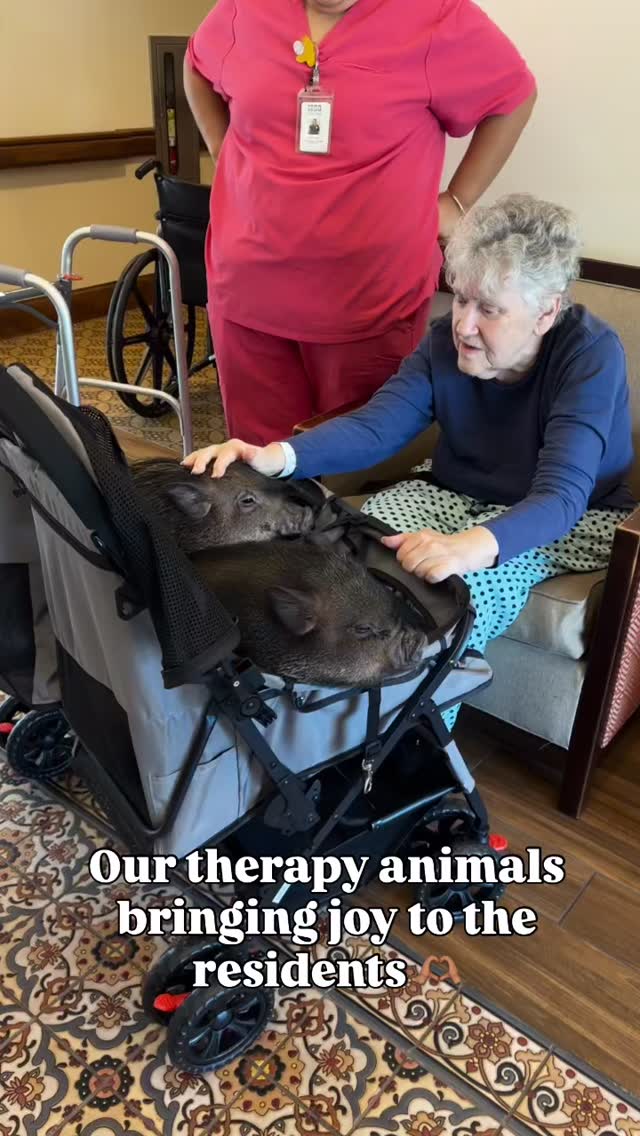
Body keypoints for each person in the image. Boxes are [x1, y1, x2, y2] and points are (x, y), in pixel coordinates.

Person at [182, 193, 636, 727]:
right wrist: (272, 457)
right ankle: (315, 725)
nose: (463, 324)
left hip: (565, 518)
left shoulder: (588, 354)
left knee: (456, 599)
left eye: (489, 309)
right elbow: (378, 425)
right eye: (461, 299)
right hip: (452, 489)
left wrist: (467, 548)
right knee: (343, 557)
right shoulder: (447, 341)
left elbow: (562, 496)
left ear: (547, 312)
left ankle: (410, 747)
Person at [184, 0, 537, 445]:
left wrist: (457, 202)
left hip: (369, 304)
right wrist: (223, 153)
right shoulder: (245, 8)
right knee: (259, 464)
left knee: (358, 461)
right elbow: (197, 65)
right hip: (248, 292)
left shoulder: (435, 15)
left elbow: (514, 97)